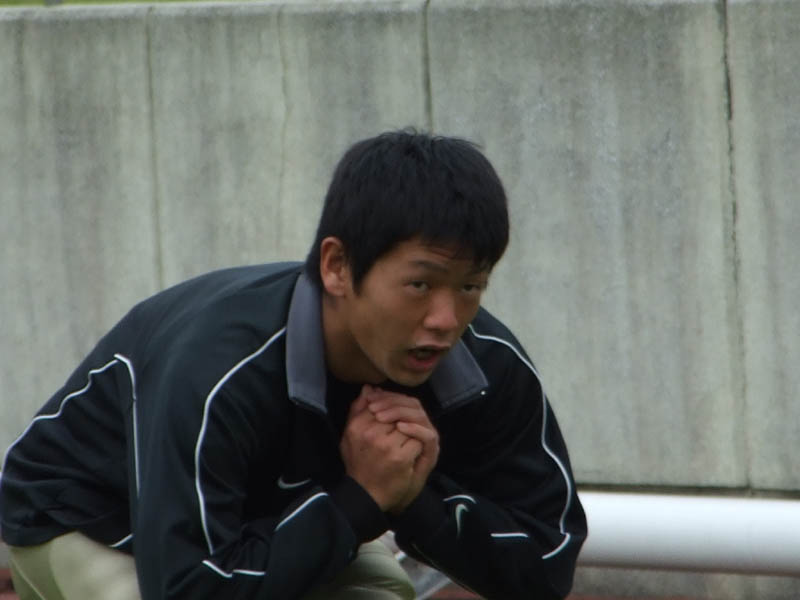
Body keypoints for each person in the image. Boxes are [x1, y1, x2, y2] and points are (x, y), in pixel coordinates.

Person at [0, 130, 587, 600]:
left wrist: (409, 498)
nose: (445, 318)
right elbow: (187, 588)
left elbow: (546, 566)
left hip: (283, 522)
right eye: (420, 284)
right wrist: (361, 498)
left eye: (471, 286)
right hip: (94, 519)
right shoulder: (216, 367)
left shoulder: (488, 364)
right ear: (337, 267)